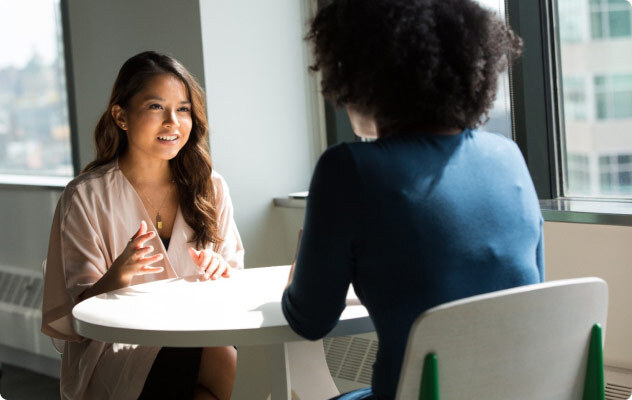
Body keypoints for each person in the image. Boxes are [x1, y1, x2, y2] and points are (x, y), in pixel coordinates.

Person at [281, 1, 542, 399]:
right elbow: (532, 294)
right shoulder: (508, 157)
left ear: (360, 71)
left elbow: (310, 320)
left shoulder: (349, 168)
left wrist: (300, 273)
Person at [41, 51, 244, 400]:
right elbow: (78, 319)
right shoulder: (86, 196)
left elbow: (236, 282)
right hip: (114, 351)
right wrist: (118, 275)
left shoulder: (210, 187)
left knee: (211, 372)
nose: (173, 122)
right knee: (219, 357)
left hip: (195, 334)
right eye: (155, 107)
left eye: (183, 109)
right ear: (121, 116)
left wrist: (220, 270)